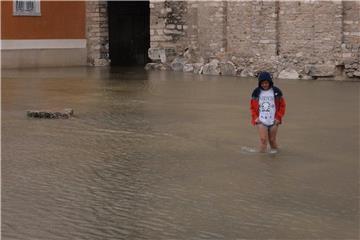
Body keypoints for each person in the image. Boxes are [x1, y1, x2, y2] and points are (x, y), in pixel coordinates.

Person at [250, 71, 286, 153]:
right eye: (262, 83)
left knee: (272, 140)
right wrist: (255, 118)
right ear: (260, 83)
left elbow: (282, 106)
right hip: (261, 120)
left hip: (274, 120)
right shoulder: (256, 92)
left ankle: (276, 158)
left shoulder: (276, 92)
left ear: (270, 82)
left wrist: (278, 117)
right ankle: (262, 161)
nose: (264, 85)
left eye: (266, 83)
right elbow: (252, 107)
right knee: (263, 140)